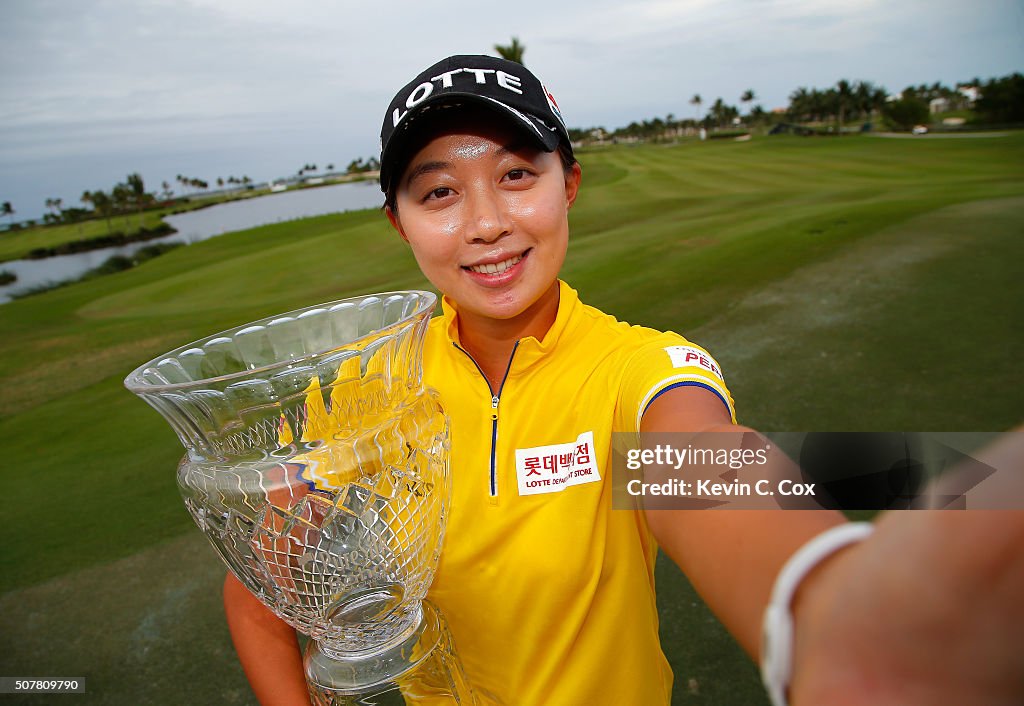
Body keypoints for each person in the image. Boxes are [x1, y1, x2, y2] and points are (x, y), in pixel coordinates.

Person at [223, 55, 1024, 705]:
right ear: (399, 221)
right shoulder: (367, 388)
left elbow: (699, 462)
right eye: (439, 192)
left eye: (515, 176)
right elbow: (260, 589)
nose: (487, 223)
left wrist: (816, 603)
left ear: (567, 184)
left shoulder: (633, 371)